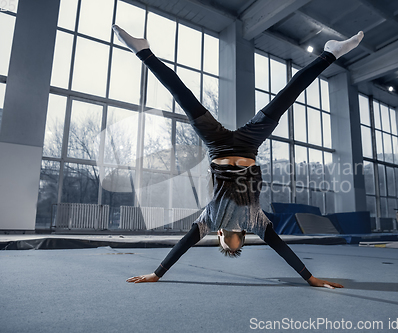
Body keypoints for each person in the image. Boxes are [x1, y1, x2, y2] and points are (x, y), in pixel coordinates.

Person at [113, 24, 364, 289]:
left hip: (220, 146)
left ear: (222, 232)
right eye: (232, 233)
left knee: (189, 98)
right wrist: (310, 278)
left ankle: (143, 52)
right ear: (237, 233)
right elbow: (281, 250)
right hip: (245, 146)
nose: (229, 229)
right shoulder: (234, 221)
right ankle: (330, 54)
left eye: (226, 233)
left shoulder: (234, 222)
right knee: (283, 98)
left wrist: (158, 273)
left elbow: (185, 245)